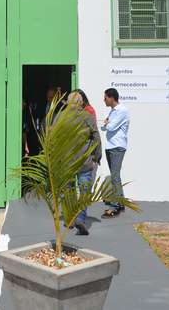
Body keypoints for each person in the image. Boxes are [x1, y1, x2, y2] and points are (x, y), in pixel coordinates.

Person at [66, 91, 102, 236]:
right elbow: (96, 137)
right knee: (84, 191)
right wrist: (96, 156)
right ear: (81, 103)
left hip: (67, 162)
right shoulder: (87, 117)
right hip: (85, 162)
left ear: (68, 103)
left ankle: (70, 219)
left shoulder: (62, 118)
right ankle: (80, 218)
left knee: (68, 192)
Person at [101, 88, 129, 218]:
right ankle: (120, 202)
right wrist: (107, 124)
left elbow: (110, 127)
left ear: (112, 98)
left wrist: (107, 124)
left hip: (117, 147)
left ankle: (115, 206)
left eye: (105, 97)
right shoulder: (113, 112)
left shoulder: (122, 110)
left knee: (115, 176)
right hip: (110, 147)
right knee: (115, 176)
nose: (104, 100)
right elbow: (104, 126)